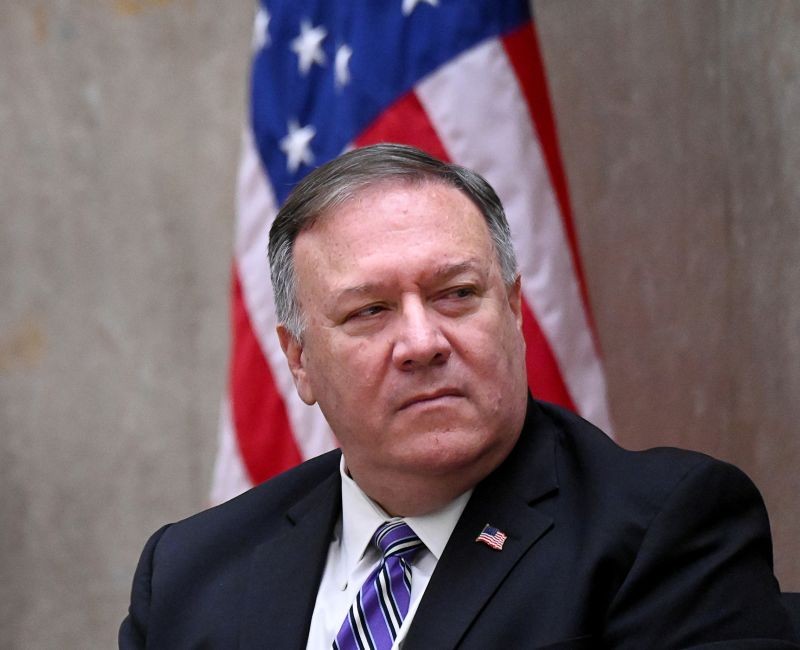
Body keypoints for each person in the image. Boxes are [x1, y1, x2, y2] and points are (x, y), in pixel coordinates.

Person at [120, 144, 798, 649]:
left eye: (456, 295)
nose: (422, 342)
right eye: (371, 311)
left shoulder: (663, 533)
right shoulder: (189, 571)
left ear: (513, 312)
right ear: (299, 361)